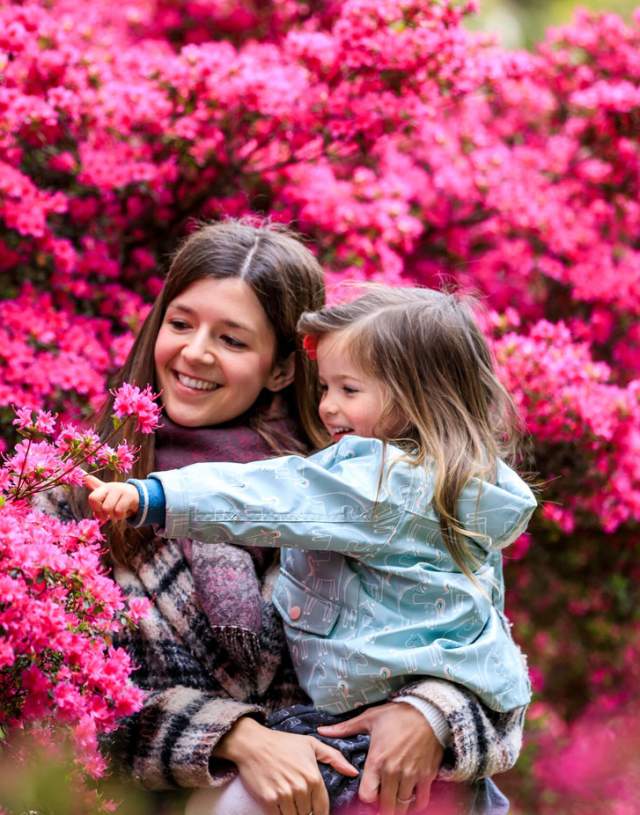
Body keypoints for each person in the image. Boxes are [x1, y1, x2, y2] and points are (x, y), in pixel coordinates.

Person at [86, 281, 536, 814]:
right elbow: (86, 714)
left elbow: (267, 495)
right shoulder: (451, 488)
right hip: (329, 744)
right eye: (181, 324)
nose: (328, 407)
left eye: (349, 390)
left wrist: (432, 713)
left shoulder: (374, 483)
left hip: (363, 752)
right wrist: (235, 738)